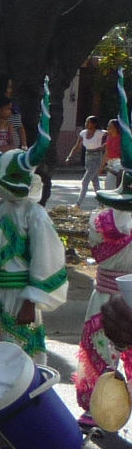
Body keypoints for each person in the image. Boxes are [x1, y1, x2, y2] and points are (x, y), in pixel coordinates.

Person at [0, 94, 67, 357]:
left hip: (17, 293)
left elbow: (46, 258)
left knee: (18, 354)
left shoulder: (34, 214)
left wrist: (31, 301)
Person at [74, 149, 132, 430]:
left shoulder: (99, 220)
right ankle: (97, 408)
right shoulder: (102, 221)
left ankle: (98, 408)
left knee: (101, 352)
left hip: (105, 297)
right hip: (109, 296)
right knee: (101, 353)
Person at [71, 115, 108, 205]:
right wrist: (70, 156)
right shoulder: (83, 133)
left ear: (94, 124)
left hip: (96, 157)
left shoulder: (100, 132)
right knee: (95, 182)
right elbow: (76, 146)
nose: (86, 124)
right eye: (86, 122)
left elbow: (112, 134)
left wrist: (106, 145)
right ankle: (101, 203)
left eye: (88, 122)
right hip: (87, 157)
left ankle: (78, 203)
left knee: (85, 181)